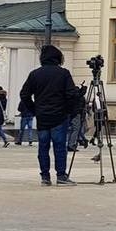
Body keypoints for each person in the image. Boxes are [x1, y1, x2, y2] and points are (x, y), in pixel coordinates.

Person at [19, 45, 79, 186]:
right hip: (59, 116)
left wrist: (34, 109)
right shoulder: (63, 73)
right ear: (58, 57)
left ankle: (45, 177)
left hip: (42, 117)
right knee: (59, 147)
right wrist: (68, 111)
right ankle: (61, 176)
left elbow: (24, 94)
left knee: (43, 147)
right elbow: (71, 95)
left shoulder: (35, 74)